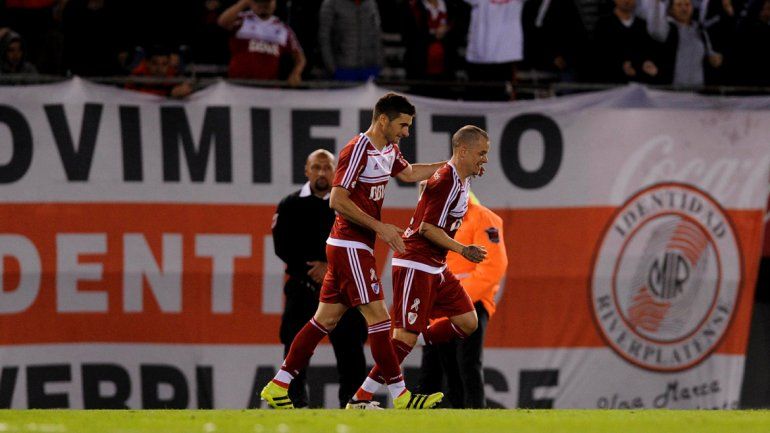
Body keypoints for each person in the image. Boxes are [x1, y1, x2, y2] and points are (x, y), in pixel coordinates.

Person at [260, 93, 447, 410]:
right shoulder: (357, 149)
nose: (406, 132)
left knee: (324, 320)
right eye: (403, 125)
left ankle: (277, 386)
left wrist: (452, 166)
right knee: (379, 318)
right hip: (349, 244)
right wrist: (380, 226)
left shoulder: (388, 148)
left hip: (351, 245)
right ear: (383, 120)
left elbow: (410, 173)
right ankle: (400, 396)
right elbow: (336, 200)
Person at [348, 125, 491, 409]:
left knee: (467, 321)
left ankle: (413, 337)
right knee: (404, 338)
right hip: (416, 263)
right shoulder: (446, 181)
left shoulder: (460, 178)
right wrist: (463, 250)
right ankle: (360, 397)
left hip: (434, 266)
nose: (485, 159)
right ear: (463, 151)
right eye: (481, 153)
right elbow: (427, 228)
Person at [271, 149, 369, 408]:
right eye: (316, 167)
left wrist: (329, 267)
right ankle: (292, 400)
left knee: (350, 349)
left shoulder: (347, 205)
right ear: (307, 170)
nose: (322, 173)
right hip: (302, 287)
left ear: (336, 171)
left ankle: (354, 403)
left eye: (327, 168)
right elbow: (282, 246)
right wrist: (311, 270)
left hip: (341, 289)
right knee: (296, 347)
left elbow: (361, 242)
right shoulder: (290, 204)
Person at [417, 190, 507, 408]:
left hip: (471, 303)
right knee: (440, 368)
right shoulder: (430, 223)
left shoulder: (482, 217)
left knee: (467, 363)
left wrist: (454, 299)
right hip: (439, 307)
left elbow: (494, 265)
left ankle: (476, 420)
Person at [217, 0, 306, 86]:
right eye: (258, 1)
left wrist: (296, 73)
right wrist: (243, 3)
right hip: (238, 84)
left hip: (267, 87)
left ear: (274, 3)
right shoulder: (242, 19)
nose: (263, 5)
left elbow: (300, 58)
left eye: (267, 2)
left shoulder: (284, 29)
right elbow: (222, 22)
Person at [318, 0, 383, 81]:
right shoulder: (331, 3)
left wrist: (378, 65)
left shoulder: (371, 3)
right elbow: (324, 38)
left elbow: (376, 34)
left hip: (369, 68)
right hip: (343, 69)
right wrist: (332, 68)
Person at [125, 45, 194, 98]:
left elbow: (185, 89)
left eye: (164, 64)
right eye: (155, 63)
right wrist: (168, 93)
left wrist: (185, 90)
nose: (159, 68)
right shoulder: (136, 76)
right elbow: (129, 95)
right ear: (147, 63)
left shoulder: (175, 75)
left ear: (169, 63)